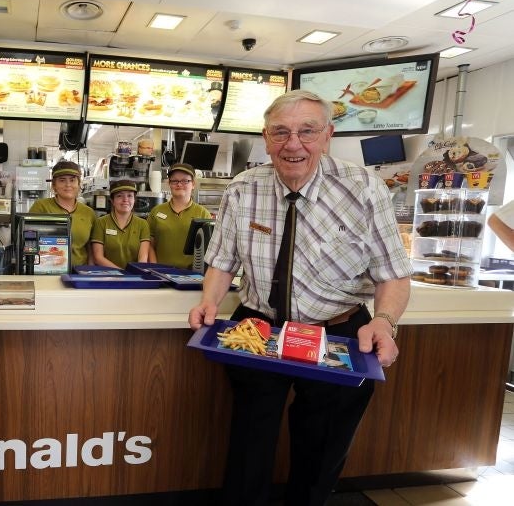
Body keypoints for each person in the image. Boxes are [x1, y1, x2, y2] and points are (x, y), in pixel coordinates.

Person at [188, 90, 410, 506]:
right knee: (250, 441)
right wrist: (210, 301)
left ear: (328, 135)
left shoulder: (364, 188)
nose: (294, 144)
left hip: (338, 333)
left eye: (307, 131)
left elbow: (393, 273)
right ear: (266, 138)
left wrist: (384, 320)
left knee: (322, 445)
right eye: (281, 132)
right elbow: (222, 260)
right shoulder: (243, 188)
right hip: (259, 328)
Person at [30, 160, 96, 267]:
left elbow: (90, 246)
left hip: (79, 272)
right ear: (54, 185)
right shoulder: (41, 207)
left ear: (79, 184)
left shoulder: (88, 213)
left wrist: (89, 272)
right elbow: (29, 239)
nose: (68, 185)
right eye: (62, 180)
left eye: (72, 180)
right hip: (47, 270)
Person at [147, 163, 211, 268]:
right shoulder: (156, 211)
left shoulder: (203, 213)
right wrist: (155, 268)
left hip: (191, 276)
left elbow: (208, 250)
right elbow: (149, 245)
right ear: (169, 183)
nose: (179, 184)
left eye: (185, 181)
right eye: (174, 181)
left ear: (193, 184)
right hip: (161, 274)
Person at [91, 179, 150, 268]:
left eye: (130, 196)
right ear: (112, 200)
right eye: (119, 196)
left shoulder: (143, 224)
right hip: (106, 276)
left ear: (134, 199)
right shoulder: (101, 223)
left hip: (133, 277)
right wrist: (122, 273)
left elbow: (142, 258)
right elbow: (98, 258)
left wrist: (133, 275)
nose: (125, 200)